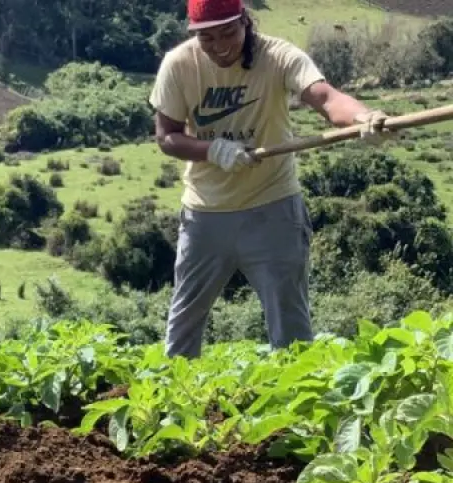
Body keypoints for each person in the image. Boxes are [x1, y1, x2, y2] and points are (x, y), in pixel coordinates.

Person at [149, 0, 396, 358]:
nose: (219, 46)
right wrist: (212, 150)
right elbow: (166, 136)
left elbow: (325, 97)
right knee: (185, 318)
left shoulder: (279, 56)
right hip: (206, 214)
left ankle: (295, 404)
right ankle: (171, 403)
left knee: (290, 324)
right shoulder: (179, 64)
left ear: (245, 22)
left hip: (273, 210)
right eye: (207, 37)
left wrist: (363, 117)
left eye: (228, 33)